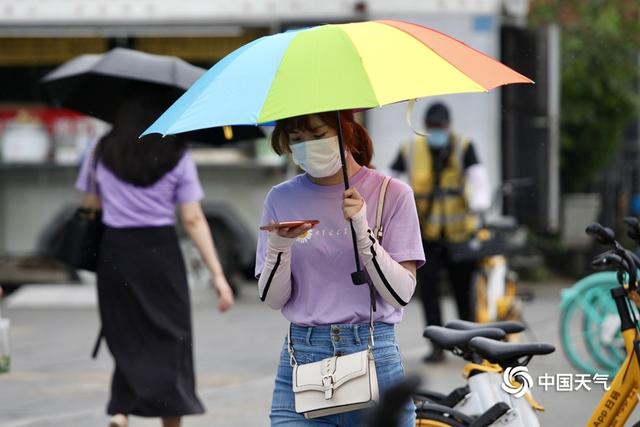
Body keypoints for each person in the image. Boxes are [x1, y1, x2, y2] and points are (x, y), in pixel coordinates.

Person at [256, 110, 425, 426]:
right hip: (302, 355)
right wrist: (279, 246)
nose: (308, 146)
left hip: (373, 352)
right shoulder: (280, 198)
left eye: (318, 136)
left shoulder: (392, 194)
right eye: (297, 140)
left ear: (346, 131)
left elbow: (401, 293)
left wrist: (361, 228)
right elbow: (273, 299)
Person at [75, 94, 235, 427]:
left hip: (115, 253)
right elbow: (192, 218)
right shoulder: (177, 154)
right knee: (170, 340)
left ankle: (121, 412)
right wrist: (218, 275)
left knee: (125, 335)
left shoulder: (100, 149)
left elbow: (90, 206)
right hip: (160, 253)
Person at [390, 102, 491, 363]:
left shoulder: (463, 146)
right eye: (432, 127)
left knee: (463, 292)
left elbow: (479, 179)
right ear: (426, 127)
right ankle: (436, 345)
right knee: (430, 293)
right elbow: (390, 176)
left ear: (449, 125)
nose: (437, 131)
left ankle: (471, 344)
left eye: (440, 127)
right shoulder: (411, 148)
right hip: (426, 235)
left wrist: (481, 201)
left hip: (459, 235)